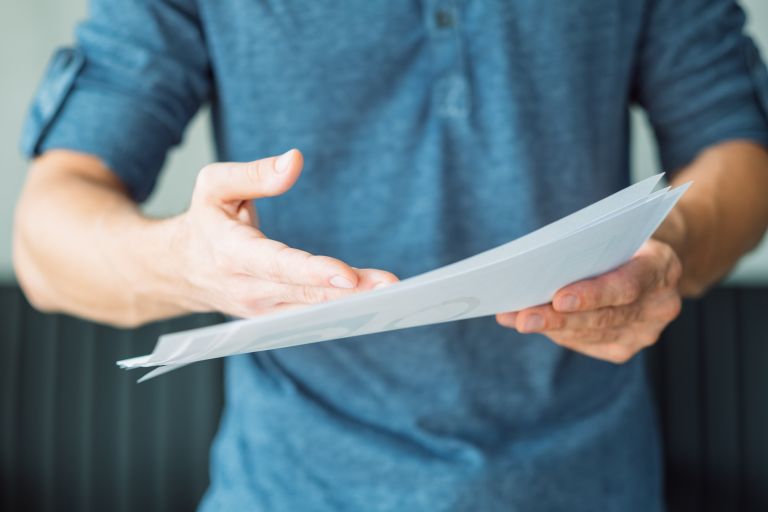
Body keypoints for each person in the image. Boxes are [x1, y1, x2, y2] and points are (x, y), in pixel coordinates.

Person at [13, 0, 768, 510]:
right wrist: (183, 261)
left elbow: (738, 147)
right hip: (291, 488)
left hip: (593, 483)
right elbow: (47, 237)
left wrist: (673, 245)